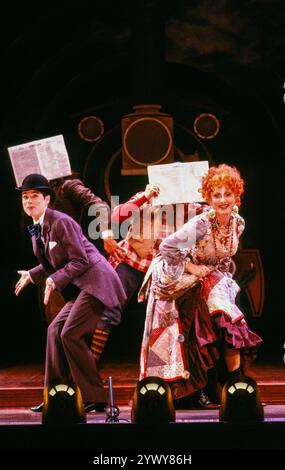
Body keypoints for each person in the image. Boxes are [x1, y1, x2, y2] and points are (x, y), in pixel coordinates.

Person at [139, 164, 262, 407]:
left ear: (237, 195)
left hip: (209, 279)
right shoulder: (202, 223)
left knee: (228, 326)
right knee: (195, 334)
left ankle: (234, 390)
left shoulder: (238, 223)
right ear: (209, 197)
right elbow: (167, 247)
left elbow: (224, 257)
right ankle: (195, 392)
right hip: (179, 279)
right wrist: (194, 269)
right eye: (216, 195)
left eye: (228, 194)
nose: (223, 200)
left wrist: (223, 282)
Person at [14, 174, 126, 413]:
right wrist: (32, 275)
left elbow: (80, 260)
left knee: (71, 334)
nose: (29, 201)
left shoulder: (61, 221)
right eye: (25, 197)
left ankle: (94, 396)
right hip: (82, 287)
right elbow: (51, 263)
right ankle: (56, 394)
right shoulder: (38, 228)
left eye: (34, 196)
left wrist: (55, 280)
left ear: (47, 199)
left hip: (97, 282)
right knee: (55, 330)